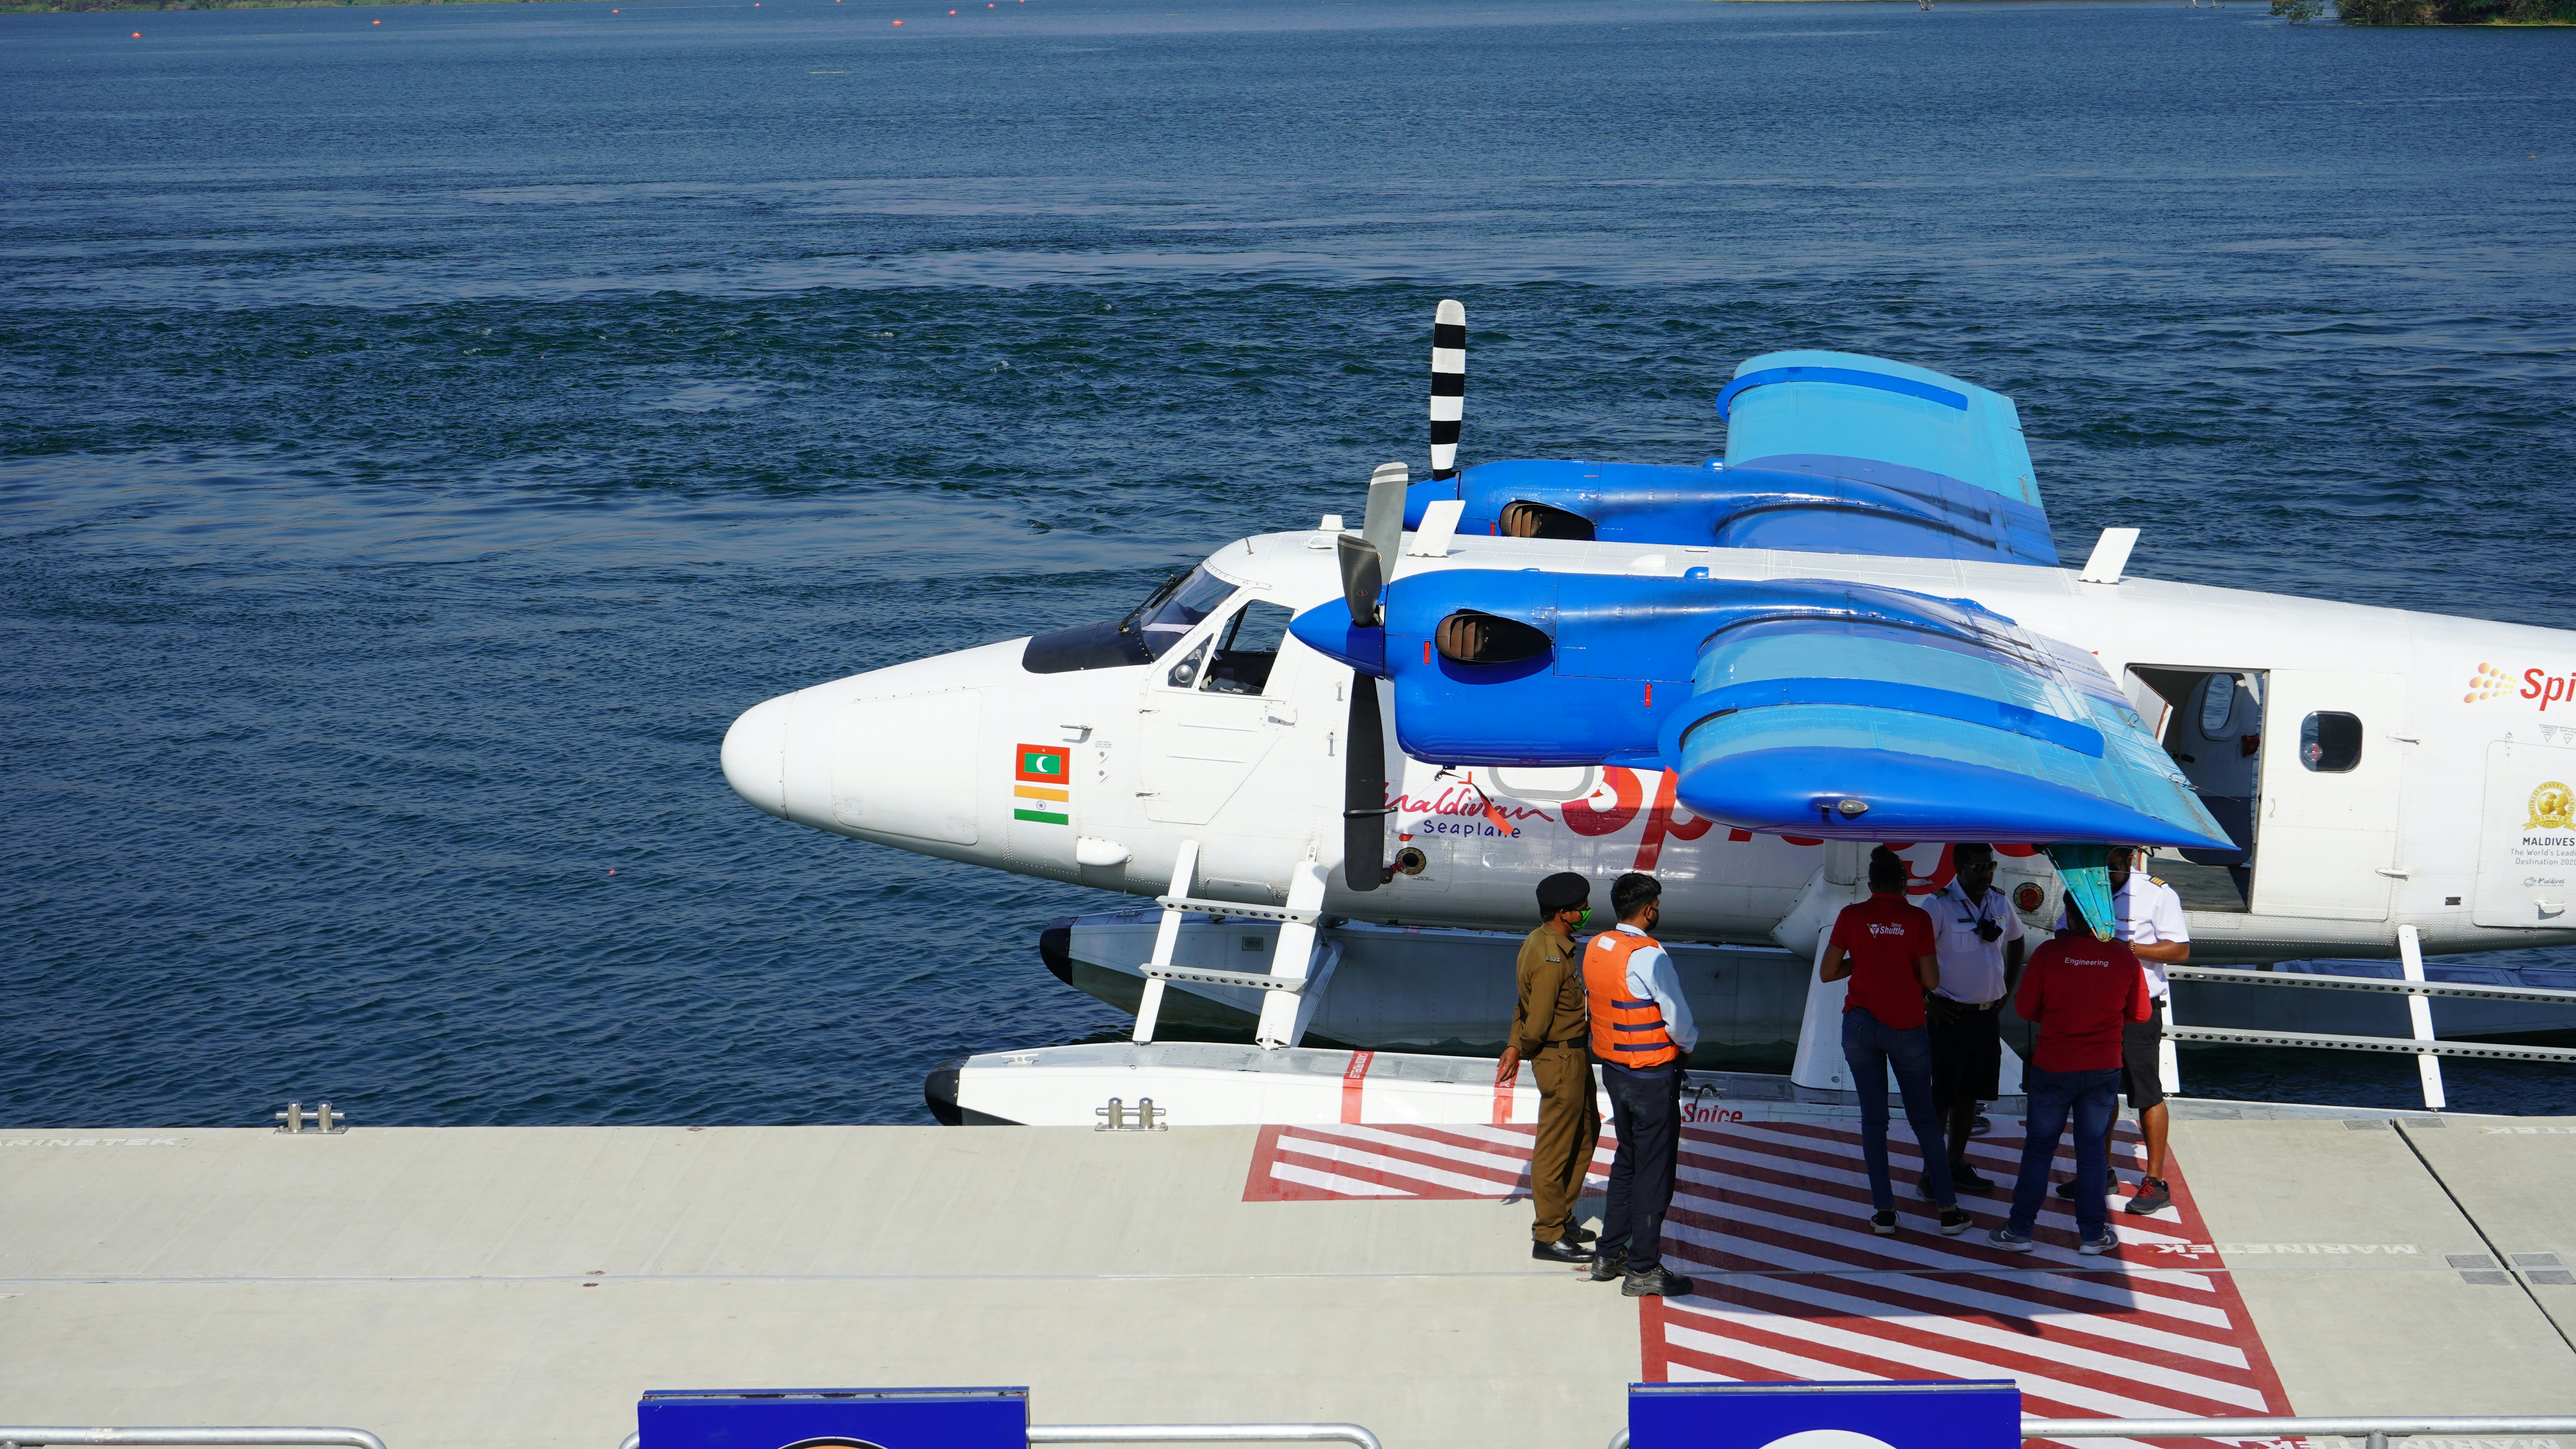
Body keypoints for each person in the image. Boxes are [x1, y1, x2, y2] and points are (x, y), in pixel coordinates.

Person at [1822, 846, 1972, 1237]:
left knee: (1874, 1120)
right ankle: (1948, 1210)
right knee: (1923, 1118)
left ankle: (1884, 1213)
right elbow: (1932, 982)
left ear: (1870, 884)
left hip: (1859, 1027)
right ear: (1904, 883)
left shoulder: (1851, 916)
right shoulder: (1917, 918)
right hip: (1906, 1028)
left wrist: (1867, 959)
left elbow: (1828, 972)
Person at [1991, 895, 2154, 1255]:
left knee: (2038, 1149)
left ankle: (2019, 1231)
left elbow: (2026, 1008)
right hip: (2102, 1068)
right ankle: (2093, 1236)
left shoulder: (2049, 955)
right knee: (2093, 1152)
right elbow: (2141, 1014)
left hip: (2053, 1065)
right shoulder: (2123, 957)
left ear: (2069, 915)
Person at [2052, 845, 2188, 1214]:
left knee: (2146, 1094)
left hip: (2138, 1011)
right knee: (2100, 1092)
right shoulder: (2085, 889)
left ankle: (2155, 1182)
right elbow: (2060, 935)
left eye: (2112, 868)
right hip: (2096, 1008)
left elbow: (2179, 950)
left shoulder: (2158, 894)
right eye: (2100, 869)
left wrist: (2128, 947)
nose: (2105, 877)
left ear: (2130, 860)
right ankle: (2102, 1172)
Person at [1579, 872, 1695, 1297]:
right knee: (1654, 1172)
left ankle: (1609, 1254)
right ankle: (1644, 1268)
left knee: (1627, 1160)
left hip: (1615, 1070)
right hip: (1651, 1076)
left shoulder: (1598, 946)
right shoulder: (1650, 956)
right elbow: (1679, 1021)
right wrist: (1690, 1045)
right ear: (1649, 909)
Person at [1499, 871, 1602, 1264]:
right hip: (1560, 1059)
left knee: (1585, 1133)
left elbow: (1521, 1006)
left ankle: (1561, 1217)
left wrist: (1513, 1044)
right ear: (1565, 914)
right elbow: (1537, 1022)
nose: (1587, 912)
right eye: (1581, 909)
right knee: (1555, 1148)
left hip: (1574, 1056)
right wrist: (1521, 1048)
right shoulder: (1549, 958)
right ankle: (1548, 1235)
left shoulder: (1545, 942)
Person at [1923, 844, 2027, 1195]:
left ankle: (1955, 1165)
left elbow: (2017, 939)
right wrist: (1927, 1000)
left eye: (1991, 866)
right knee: (1943, 1099)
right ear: (1959, 868)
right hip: (1950, 1016)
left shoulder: (1999, 901)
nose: (1987, 874)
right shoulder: (1937, 905)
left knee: (1971, 1097)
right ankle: (1931, 1173)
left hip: (1986, 1018)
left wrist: (2007, 990)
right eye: (1979, 867)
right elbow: (1914, 954)